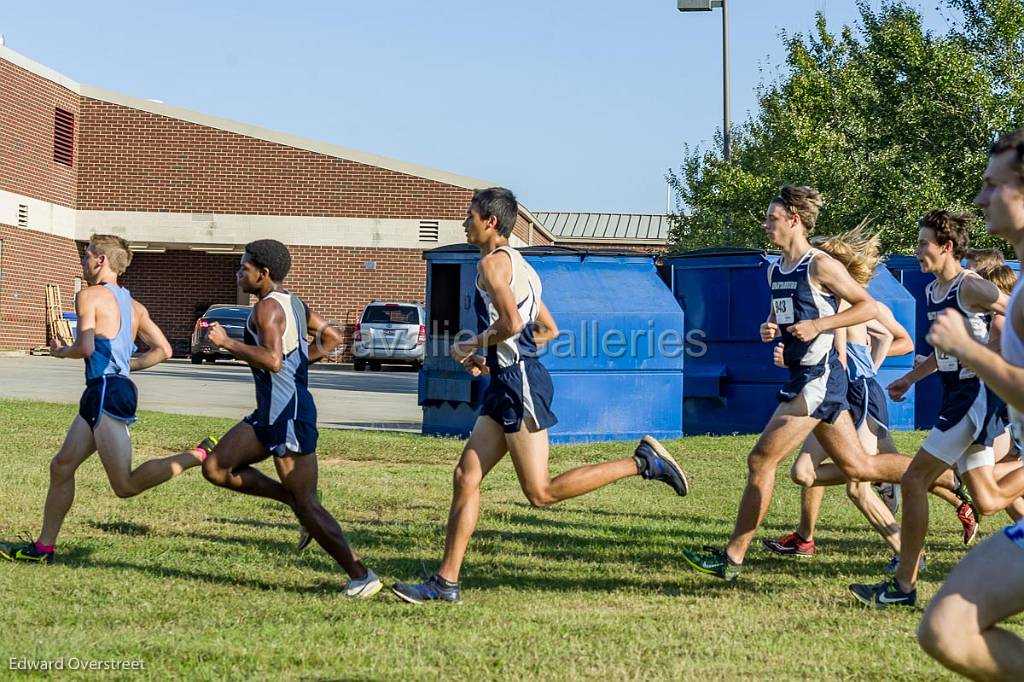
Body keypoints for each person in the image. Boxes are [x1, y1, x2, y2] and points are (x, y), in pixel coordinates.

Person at [391, 187, 688, 604]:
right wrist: (494, 359)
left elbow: (512, 322)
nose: (464, 221)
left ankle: (643, 462)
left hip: (518, 384)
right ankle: (446, 582)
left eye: (470, 214)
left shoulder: (493, 266)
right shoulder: (523, 266)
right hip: (508, 379)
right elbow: (547, 330)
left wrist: (473, 345)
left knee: (540, 492)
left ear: (490, 221)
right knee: (466, 477)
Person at [682, 186, 936, 582]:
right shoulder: (774, 269)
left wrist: (820, 325)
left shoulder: (820, 265)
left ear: (794, 220)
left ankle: (732, 558)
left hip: (819, 382)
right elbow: (781, 317)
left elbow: (866, 306)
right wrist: (772, 330)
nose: (766, 225)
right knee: (859, 466)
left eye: (772, 218)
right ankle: (940, 477)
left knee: (760, 460)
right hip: (805, 378)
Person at [762, 226, 971, 569]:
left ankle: (940, 490)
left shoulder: (845, 303)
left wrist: (869, 364)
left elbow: (876, 344)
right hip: (833, 387)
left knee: (861, 479)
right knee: (823, 473)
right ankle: (808, 537)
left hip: (851, 391)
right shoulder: (821, 299)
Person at [0, 235, 210, 564]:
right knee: (62, 466)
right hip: (105, 391)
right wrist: (127, 366)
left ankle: (199, 454)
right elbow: (165, 350)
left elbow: (83, 348)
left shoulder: (89, 296)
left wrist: (60, 352)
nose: (83, 262)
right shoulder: (135, 306)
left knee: (124, 485)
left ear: (101, 261)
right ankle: (43, 548)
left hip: (106, 394)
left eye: (86, 256)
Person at [199, 239, 381, 599]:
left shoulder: (267, 309)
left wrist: (226, 343)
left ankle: (361, 575)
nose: (239, 273)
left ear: (262, 273)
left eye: (243, 268)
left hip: (289, 416)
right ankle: (293, 502)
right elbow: (331, 338)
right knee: (216, 468)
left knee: (308, 503)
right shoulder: (293, 302)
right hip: (268, 415)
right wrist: (300, 361)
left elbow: (273, 360)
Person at [849, 210, 1009, 607]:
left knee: (915, 480)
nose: (917, 251)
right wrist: (910, 378)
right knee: (986, 500)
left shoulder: (969, 285)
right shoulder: (932, 291)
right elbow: (944, 350)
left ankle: (903, 586)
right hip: (954, 393)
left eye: (923, 244)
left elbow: (1013, 313)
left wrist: (990, 357)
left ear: (947, 247)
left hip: (976, 396)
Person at [917, 128, 1024, 680]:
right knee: (944, 630)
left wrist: (968, 350)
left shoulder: (994, 296)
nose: (980, 200)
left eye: (993, 186)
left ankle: (901, 578)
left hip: (973, 402)